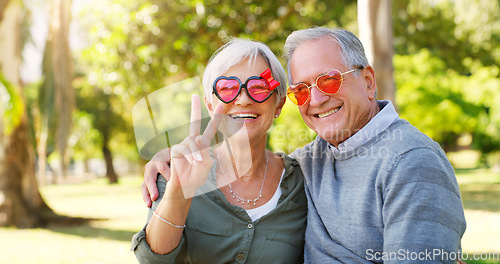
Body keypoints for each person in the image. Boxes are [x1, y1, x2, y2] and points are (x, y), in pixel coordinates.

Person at [141, 27, 467, 263]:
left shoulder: (412, 162)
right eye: (303, 89)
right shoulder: (312, 160)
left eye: (329, 79)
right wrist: (170, 161)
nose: (318, 98)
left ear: (368, 81)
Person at [131, 38, 307, 263]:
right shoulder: (174, 170)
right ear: (210, 104)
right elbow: (151, 260)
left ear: (279, 105)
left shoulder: (303, 182)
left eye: (259, 87)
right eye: (227, 88)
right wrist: (179, 190)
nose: (243, 99)